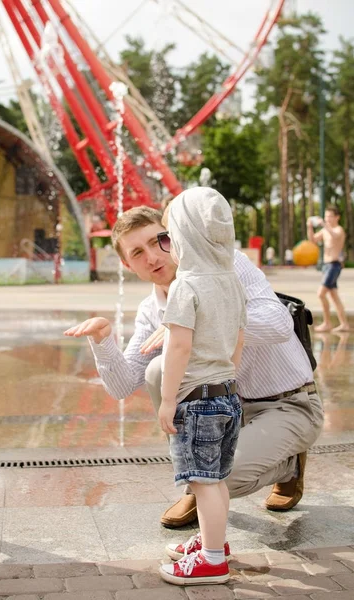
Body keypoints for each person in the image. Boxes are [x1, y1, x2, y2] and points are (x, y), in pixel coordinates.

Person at [64, 192, 324, 529]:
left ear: (172, 236)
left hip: (288, 403)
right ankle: (196, 479)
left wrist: (196, 322)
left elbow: (278, 324)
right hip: (226, 410)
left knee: (222, 480)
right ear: (127, 266)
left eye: (158, 241)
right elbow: (123, 385)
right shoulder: (152, 308)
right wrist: (102, 342)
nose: (152, 257)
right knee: (158, 371)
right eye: (137, 253)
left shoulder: (228, 262)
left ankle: (288, 465)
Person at [155, 189, 246, 584]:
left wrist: (166, 399)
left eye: (169, 236)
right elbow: (239, 338)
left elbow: (179, 346)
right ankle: (216, 543)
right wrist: (226, 375)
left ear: (184, 236)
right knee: (217, 480)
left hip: (198, 401)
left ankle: (211, 560)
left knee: (202, 482)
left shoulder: (185, 285)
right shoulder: (231, 281)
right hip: (228, 394)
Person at [307, 206, 350, 333]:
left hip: (334, 265)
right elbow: (313, 240)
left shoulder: (338, 229)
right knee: (334, 296)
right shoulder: (326, 231)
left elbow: (335, 236)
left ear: (337, 217)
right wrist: (309, 226)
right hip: (326, 266)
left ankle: (327, 323)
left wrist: (324, 225)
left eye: (330, 216)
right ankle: (344, 324)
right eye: (326, 217)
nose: (327, 219)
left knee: (321, 294)